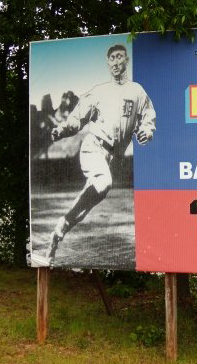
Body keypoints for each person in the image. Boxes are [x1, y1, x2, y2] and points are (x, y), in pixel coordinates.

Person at [38, 44, 156, 266]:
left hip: (112, 157)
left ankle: (59, 230)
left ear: (127, 60)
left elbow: (148, 116)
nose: (115, 61)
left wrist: (147, 131)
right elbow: (77, 118)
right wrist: (61, 129)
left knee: (90, 201)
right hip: (93, 147)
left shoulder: (137, 91)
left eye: (119, 56)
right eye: (111, 58)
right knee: (103, 184)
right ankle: (61, 228)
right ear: (108, 63)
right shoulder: (100, 91)